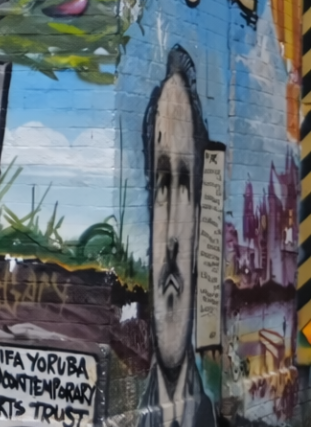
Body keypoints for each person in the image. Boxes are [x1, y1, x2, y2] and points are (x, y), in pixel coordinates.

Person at [137, 46, 215, 427]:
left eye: (184, 185)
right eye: (162, 185)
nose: (171, 240)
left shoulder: (207, 414)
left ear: (199, 219)